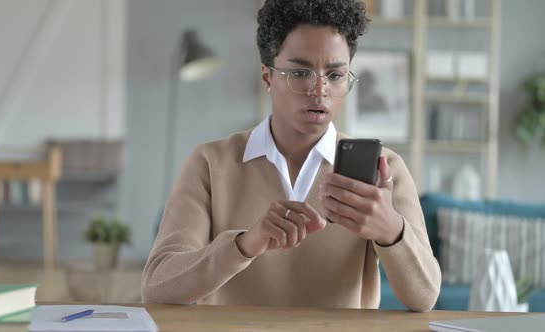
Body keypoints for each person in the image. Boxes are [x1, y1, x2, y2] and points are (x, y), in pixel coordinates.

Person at [142, 0, 441, 312]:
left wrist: (391, 230)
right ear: (268, 77)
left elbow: (425, 297)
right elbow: (157, 287)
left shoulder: (386, 169)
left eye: (336, 75)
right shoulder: (210, 164)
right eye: (300, 72)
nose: (319, 90)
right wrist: (245, 244)